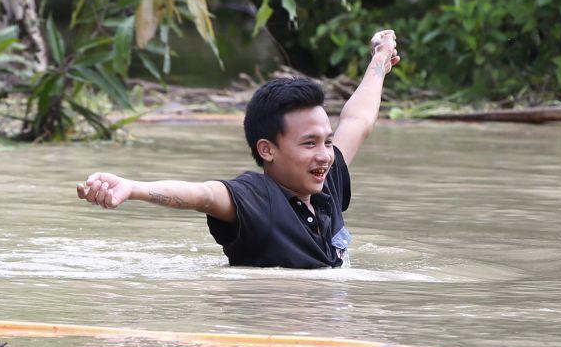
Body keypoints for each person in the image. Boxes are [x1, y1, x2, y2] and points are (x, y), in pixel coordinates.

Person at [76, 29, 400, 268]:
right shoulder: (258, 198)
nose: (325, 154)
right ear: (267, 150)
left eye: (327, 141)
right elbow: (203, 195)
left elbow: (358, 119)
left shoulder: (324, 182)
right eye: (309, 143)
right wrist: (133, 188)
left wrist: (380, 59)